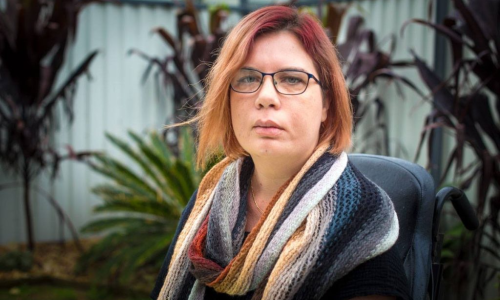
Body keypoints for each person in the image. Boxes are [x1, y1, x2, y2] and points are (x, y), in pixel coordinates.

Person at [151, 5, 410, 300]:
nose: (265, 97)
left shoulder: (360, 220)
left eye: (292, 79)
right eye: (248, 78)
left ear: (327, 104)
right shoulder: (209, 200)